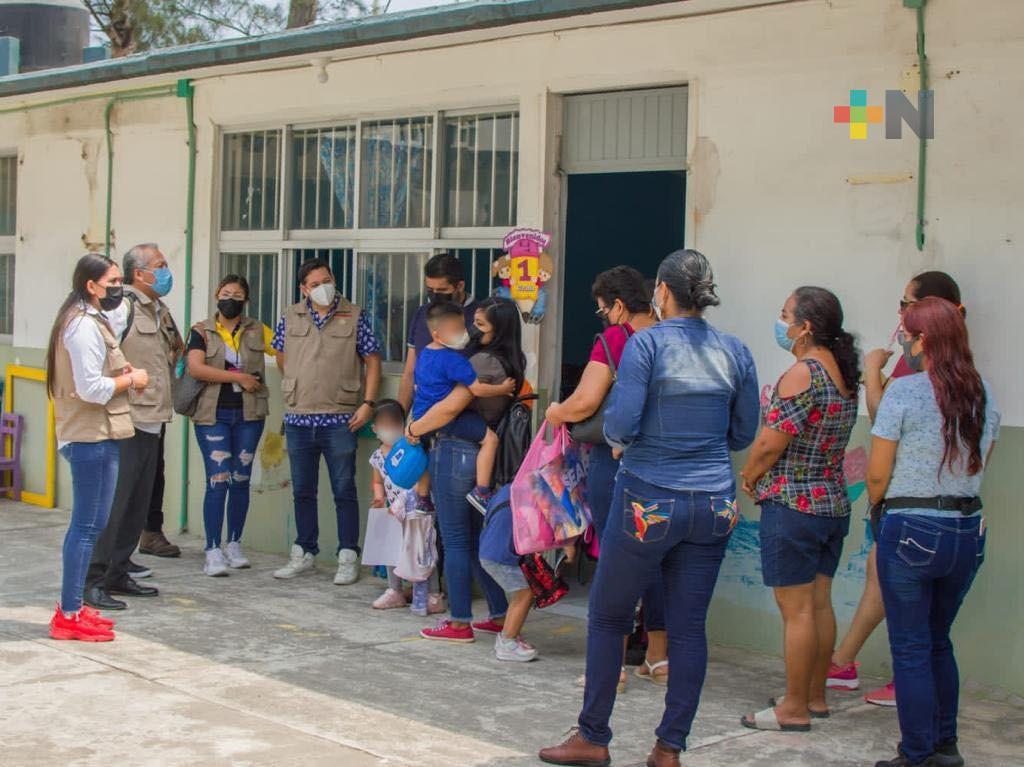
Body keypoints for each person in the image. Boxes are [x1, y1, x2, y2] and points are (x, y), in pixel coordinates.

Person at [540, 249, 760, 767]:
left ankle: (593, 736)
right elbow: (743, 432)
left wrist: (635, 442)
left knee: (608, 615)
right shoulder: (736, 350)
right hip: (714, 504)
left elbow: (618, 426)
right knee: (688, 627)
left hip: (649, 500)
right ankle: (668, 748)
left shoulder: (647, 344)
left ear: (661, 291)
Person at [867, 297, 998, 767]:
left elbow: (877, 474)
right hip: (966, 530)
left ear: (923, 341)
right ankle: (945, 747)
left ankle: (916, 753)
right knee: (938, 640)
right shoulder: (982, 393)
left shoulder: (904, 392)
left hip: (911, 528)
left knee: (911, 648)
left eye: (906, 333)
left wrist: (877, 510)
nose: (903, 341)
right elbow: (980, 464)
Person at [829, 271, 965, 706]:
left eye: (907, 304)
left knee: (913, 632)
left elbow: (884, 419)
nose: (900, 315)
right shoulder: (967, 383)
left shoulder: (919, 372)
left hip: (908, 508)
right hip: (955, 517)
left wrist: (872, 372)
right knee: (892, 591)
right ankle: (844, 662)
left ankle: (872, 675)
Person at [738, 286, 860, 732]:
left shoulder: (802, 374)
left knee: (797, 611)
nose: (780, 321)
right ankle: (814, 696)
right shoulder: (843, 373)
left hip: (794, 504)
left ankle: (792, 707)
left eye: (784, 314)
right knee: (820, 604)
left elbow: (770, 443)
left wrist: (749, 475)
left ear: (804, 327)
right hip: (832, 502)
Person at [545, 265, 661, 691]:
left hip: (618, 463)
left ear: (619, 305)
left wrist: (556, 412)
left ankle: (611, 667)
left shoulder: (618, 338)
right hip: (666, 464)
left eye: (603, 310)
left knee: (616, 563)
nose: (605, 318)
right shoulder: (670, 337)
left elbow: (585, 401)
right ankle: (659, 658)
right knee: (658, 561)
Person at [46, 254, 148, 640]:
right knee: (87, 528)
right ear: (91, 285)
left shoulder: (85, 319)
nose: (119, 288)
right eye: (113, 282)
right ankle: (69, 614)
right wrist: (131, 379)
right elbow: (90, 388)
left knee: (89, 526)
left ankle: (72, 607)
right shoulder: (82, 326)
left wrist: (121, 374)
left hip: (94, 435)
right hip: (91, 437)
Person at [271, 258, 382, 584]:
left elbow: (373, 361)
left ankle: (348, 555)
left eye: (327, 280)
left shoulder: (354, 315)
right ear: (303, 289)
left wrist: (368, 404)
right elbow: (281, 355)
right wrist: (297, 382)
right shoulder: (290, 315)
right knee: (303, 490)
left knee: (344, 490)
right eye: (315, 284)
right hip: (299, 417)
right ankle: (304, 552)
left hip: (340, 418)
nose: (324, 288)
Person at [84, 243, 181, 611]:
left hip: (154, 417)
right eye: (160, 265)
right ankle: (93, 580)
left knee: (137, 505)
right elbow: (101, 355)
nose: (166, 270)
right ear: (139, 274)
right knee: (115, 505)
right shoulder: (121, 307)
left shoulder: (159, 310)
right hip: (127, 419)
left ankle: (118, 571)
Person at [186, 274, 274, 577]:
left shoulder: (257, 329)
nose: (231, 300)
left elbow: (285, 352)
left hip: (249, 415)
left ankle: (234, 544)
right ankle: (212, 549)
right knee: (218, 479)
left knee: (240, 478)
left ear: (246, 300)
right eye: (226, 294)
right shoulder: (201, 331)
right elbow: (196, 368)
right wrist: (239, 377)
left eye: (237, 295)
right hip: (213, 415)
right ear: (216, 296)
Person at [409, 302, 516, 514]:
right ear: (437, 334)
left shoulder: (424, 354)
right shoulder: (456, 361)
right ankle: (482, 492)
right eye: (457, 330)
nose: (465, 333)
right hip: (448, 420)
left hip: (421, 414)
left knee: (424, 452)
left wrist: (414, 425)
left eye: (463, 327)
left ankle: (422, 498)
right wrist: (503, 389)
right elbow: (477, 390)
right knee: (491, 440)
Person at [368, 399, 444, 616]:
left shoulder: (412, 450)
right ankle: (395, 590)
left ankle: (433, 594)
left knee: (423, 551)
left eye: (394, 424)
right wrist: (379, 498)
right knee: (390, 550)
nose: (389, 429)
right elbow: (377, 481)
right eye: (384, 425)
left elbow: (423, 476)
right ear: (374, 428)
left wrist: (416, 499)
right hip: (393, 511)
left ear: (404, 425)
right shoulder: (377, 457)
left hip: (416, 510)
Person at [398, 252, 478, 412]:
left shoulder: (480, 317)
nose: (435, 295)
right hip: (422, 413)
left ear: (460, 286)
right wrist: (399, 415)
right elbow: (410, 372)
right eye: (430, 289)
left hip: (464, 414)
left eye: (442, 290)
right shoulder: (422, 314)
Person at [137, 428, 182, 559]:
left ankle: (151, 533)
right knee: (128, 474)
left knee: (155, 470)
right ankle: (112, 545)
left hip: (153, 420)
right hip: (125, 421)